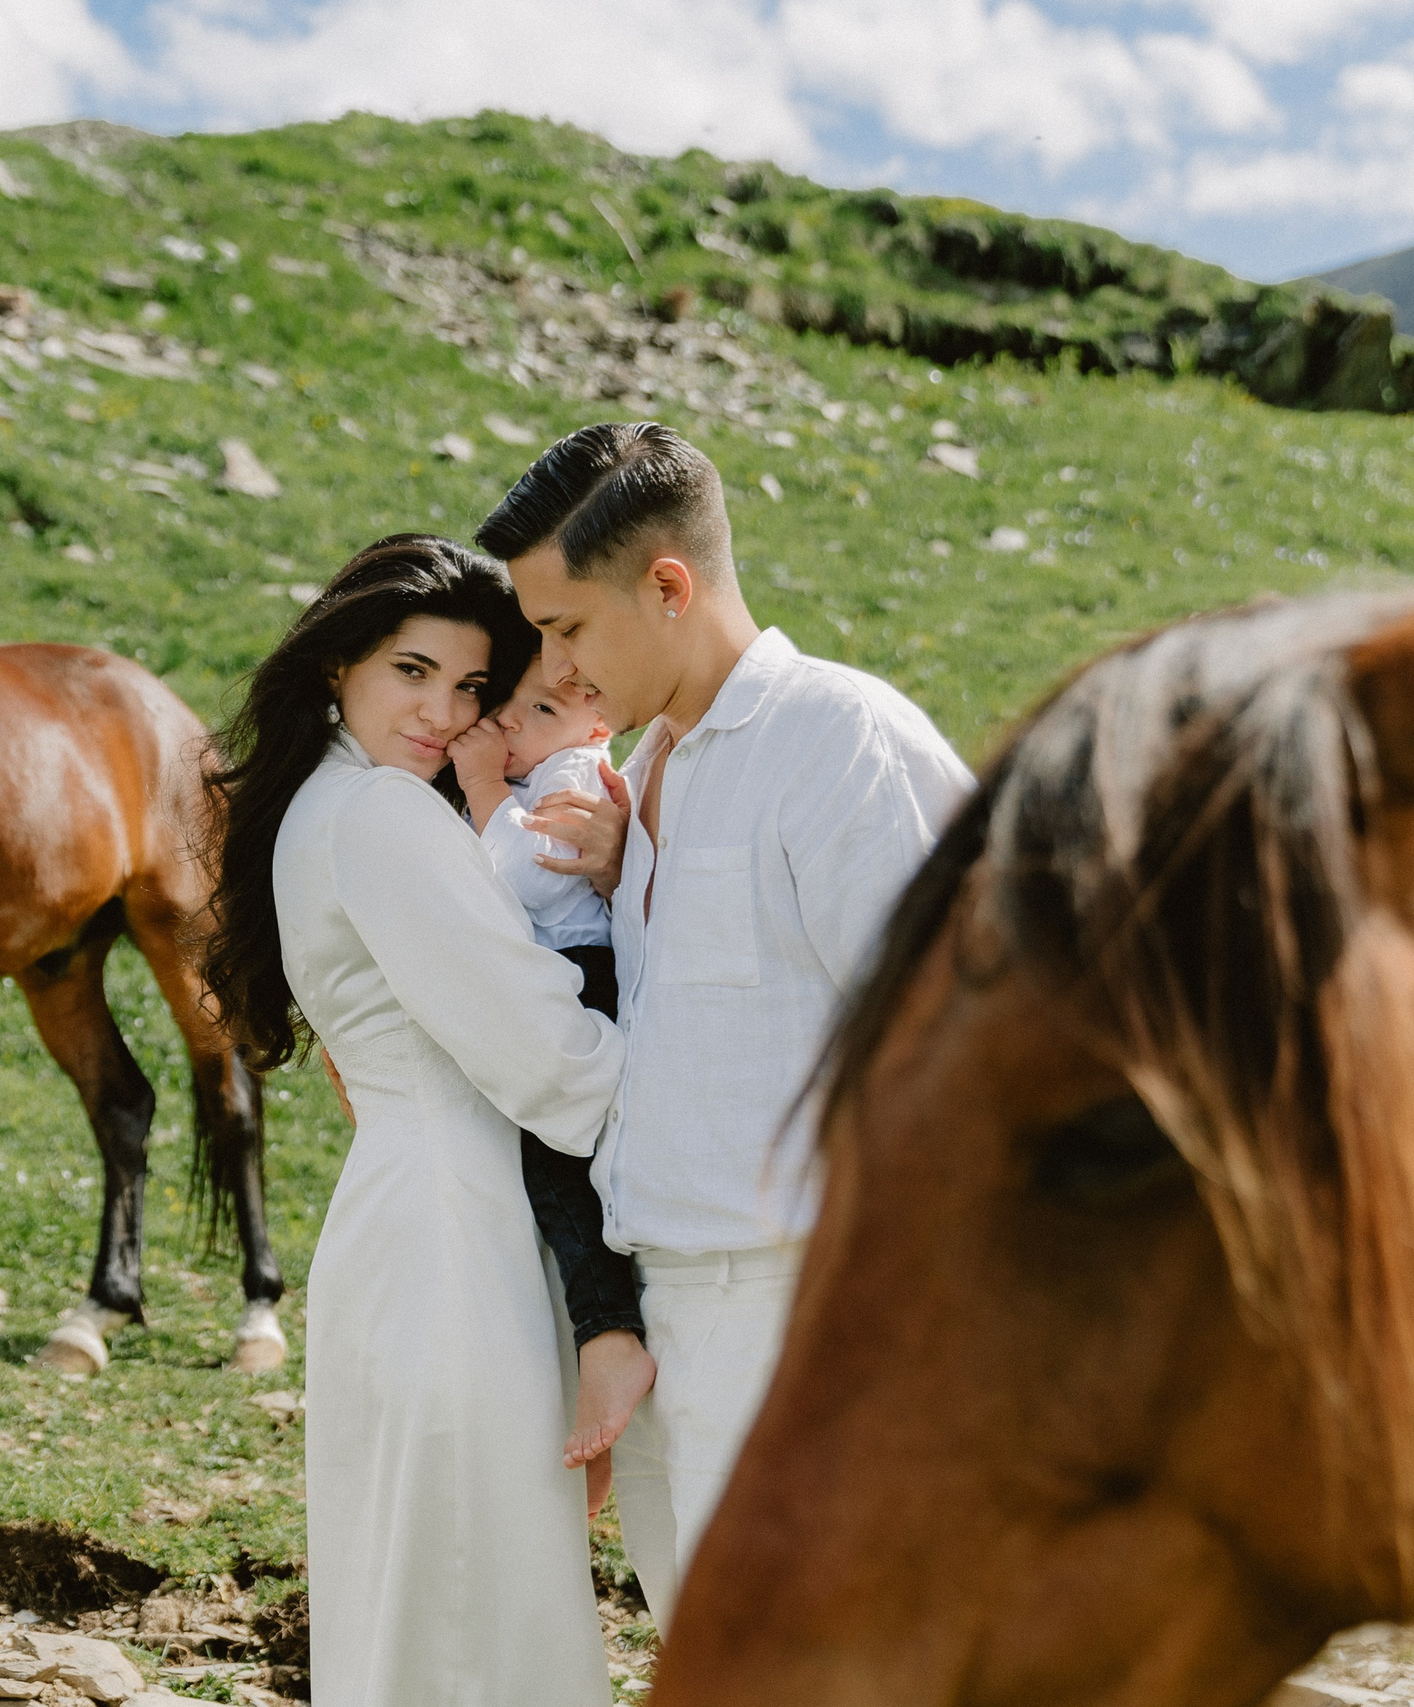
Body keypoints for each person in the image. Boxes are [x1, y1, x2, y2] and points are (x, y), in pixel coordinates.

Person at [476, 422, 977, 1627]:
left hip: (800, 1316)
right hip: (668, 1312)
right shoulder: (641, 775)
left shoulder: (839, 741)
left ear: (666, 584)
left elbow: (964, 1041)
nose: (555, 667)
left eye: (567, 630)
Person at [198, 534, 623, 1707]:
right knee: (474, 1609)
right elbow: (546, 1054)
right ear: (339, 664)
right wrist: (709, 1094)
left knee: (432, 1606)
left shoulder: (327, 803)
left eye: (474, 687)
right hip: (452, 1246)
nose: (444, 712)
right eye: (412, 671)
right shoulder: (380, 813)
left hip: (420, 1225)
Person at [446, 654, 656, 1504]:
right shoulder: (553, 763)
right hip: (562, 973)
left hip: (580, 975)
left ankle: (610, 1334)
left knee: (558, 1169)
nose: (512, 726)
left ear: (596, 722)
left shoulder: (571, 772)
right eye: (509, 706)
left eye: (538, 708)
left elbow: (530, 869)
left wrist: (481, 785)